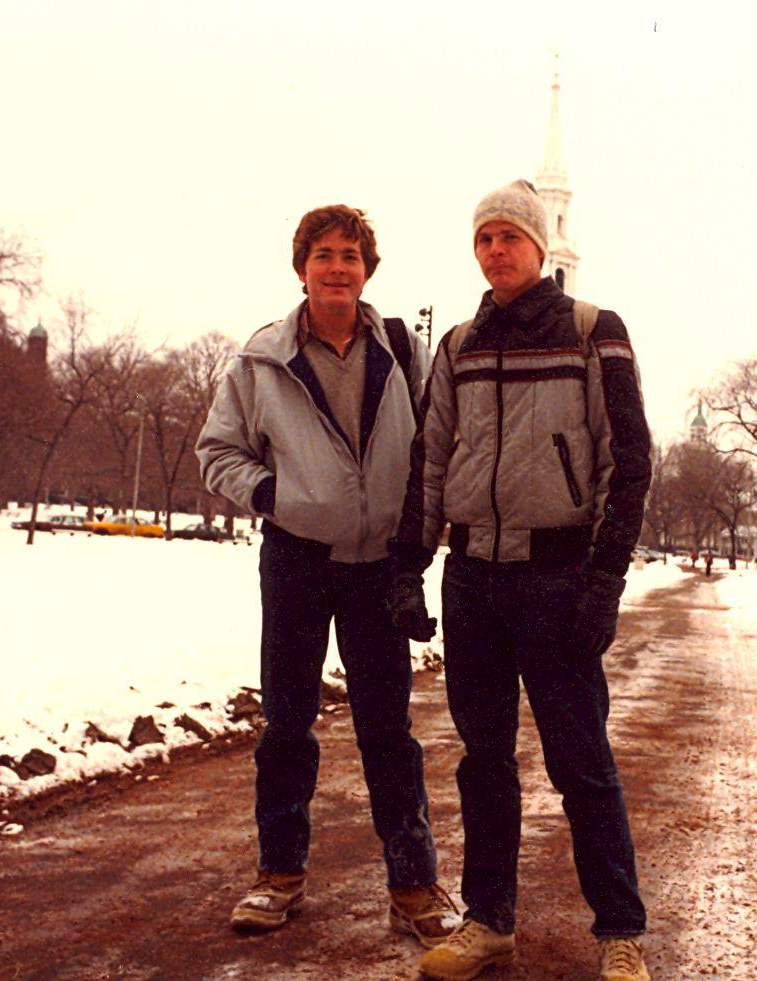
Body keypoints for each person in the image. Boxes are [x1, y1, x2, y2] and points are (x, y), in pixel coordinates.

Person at [389, 180, 653, 981]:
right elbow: (430, 461)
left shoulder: (591, 332)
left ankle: (619, 931)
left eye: (510, 236)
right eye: (484, 238)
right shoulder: (460, 343)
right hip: (475, 581)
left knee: (581, 762)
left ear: (540, 247)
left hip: (558, 580)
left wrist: (603, 580)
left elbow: (629, 462)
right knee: (485, 759)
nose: (496, 250)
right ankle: (490, 921)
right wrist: (412, 566)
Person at [195, 204, 459, 948]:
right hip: (297, 560)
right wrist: (276, 496)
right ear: (301, 266)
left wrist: (414, 550)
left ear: (367, 268)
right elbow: (218, 451)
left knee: (388, 729)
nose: (337, 267)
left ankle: (413, 881)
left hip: (378, 567)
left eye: (350, 254)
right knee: (286, 723)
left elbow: (432, 451)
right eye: (323, 254)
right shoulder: (262, 359)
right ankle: (279, 873)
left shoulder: (404, 349)